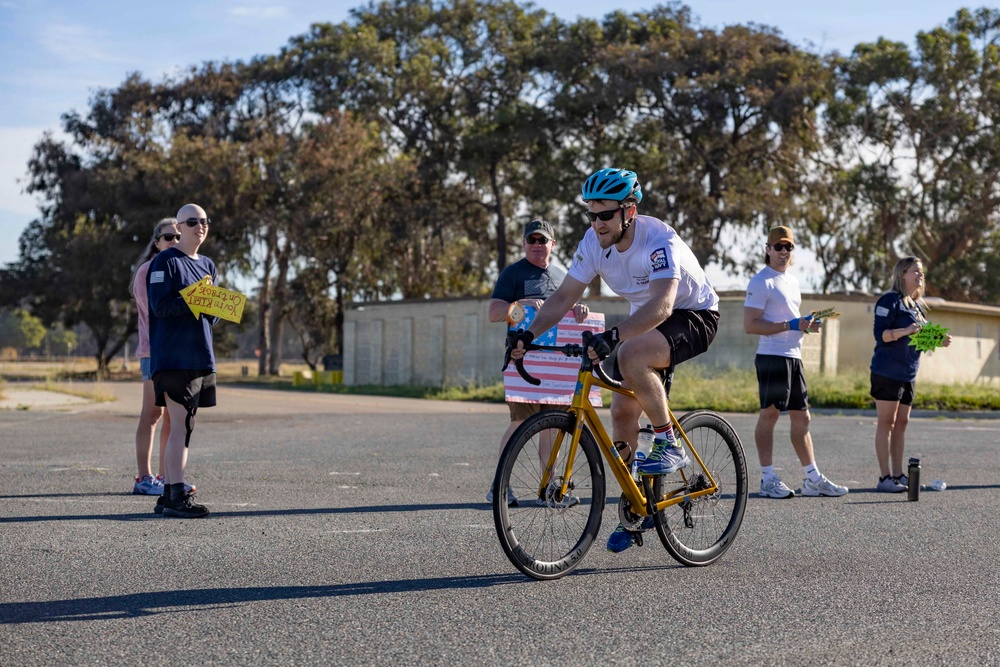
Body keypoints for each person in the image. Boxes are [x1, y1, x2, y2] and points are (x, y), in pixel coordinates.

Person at [509, 168, 721, 553]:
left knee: (630, 353)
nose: (597, 223)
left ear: (630, 211)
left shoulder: (659, 240)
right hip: (647, 317)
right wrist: (526, 335)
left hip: (692, 314)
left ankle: (670, 442)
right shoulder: (593, 242)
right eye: (591, 214)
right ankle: (638, 508)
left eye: (605, 214)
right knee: (622, 413)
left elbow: (664, 304)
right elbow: (562, 299)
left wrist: (615, 336)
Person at [487, 219, 589, 506]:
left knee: (553, 427)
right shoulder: (513, 273)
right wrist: (520, 306)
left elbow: (567, 309)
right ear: (523, 243)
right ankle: (499, 487)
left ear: (552, 244)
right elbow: (494, 313)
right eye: (531, 239)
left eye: (542, 240)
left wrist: (579, 309)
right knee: (519, 422)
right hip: (524, 361)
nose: (536, 244)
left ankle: (551, 489)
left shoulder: (562, 276)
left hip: (557, 364)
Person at [743, 225, 848, 499]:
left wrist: (804, 326)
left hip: (793, 357)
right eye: (778, 247)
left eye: (788, 247)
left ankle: (812, 479)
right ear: (767, 249)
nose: (783, 252)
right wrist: (789, 324)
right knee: (770, 415)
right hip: (772, 357)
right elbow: (751, 325)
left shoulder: (792, 281)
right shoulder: (760, 281)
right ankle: (767, 479)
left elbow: (790, 320)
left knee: (803, 418)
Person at [147, 203, 218, 518]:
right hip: (174, 357)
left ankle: (168, 493)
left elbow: (208, 317)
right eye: (192, 221)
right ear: (179, 226)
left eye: (204, 221)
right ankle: (176, 494)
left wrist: (215, 305)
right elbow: (161, 307)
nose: (199, 226)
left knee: (186, 425)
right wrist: (195, 298)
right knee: (180, 424)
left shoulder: (208, 265)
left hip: (201, 355)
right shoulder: (165, 260)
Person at [870, 256, 952, 492]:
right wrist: (905, 330)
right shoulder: (889, 300)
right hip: (887, 371)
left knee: (902, 423)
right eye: (915, 270)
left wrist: (938, 338)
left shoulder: (916, 305)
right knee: (887, 422)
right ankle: (885, 478)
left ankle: (898, 475)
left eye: (922, 272)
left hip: (908, 373)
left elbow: (919, 337)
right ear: (902, 274)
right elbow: (881, 335)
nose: (920, 275)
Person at [129, 218, 180, 495]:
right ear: (157, 242)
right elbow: (156, 311)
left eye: (177, 237)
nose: (173, 241)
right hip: (154, 351)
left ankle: (167, 476)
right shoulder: (148, 271)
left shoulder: (186, 268)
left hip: (179, 353)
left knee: (174, 416)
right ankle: (144, 477)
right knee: (152, 413)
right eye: (168, 237)